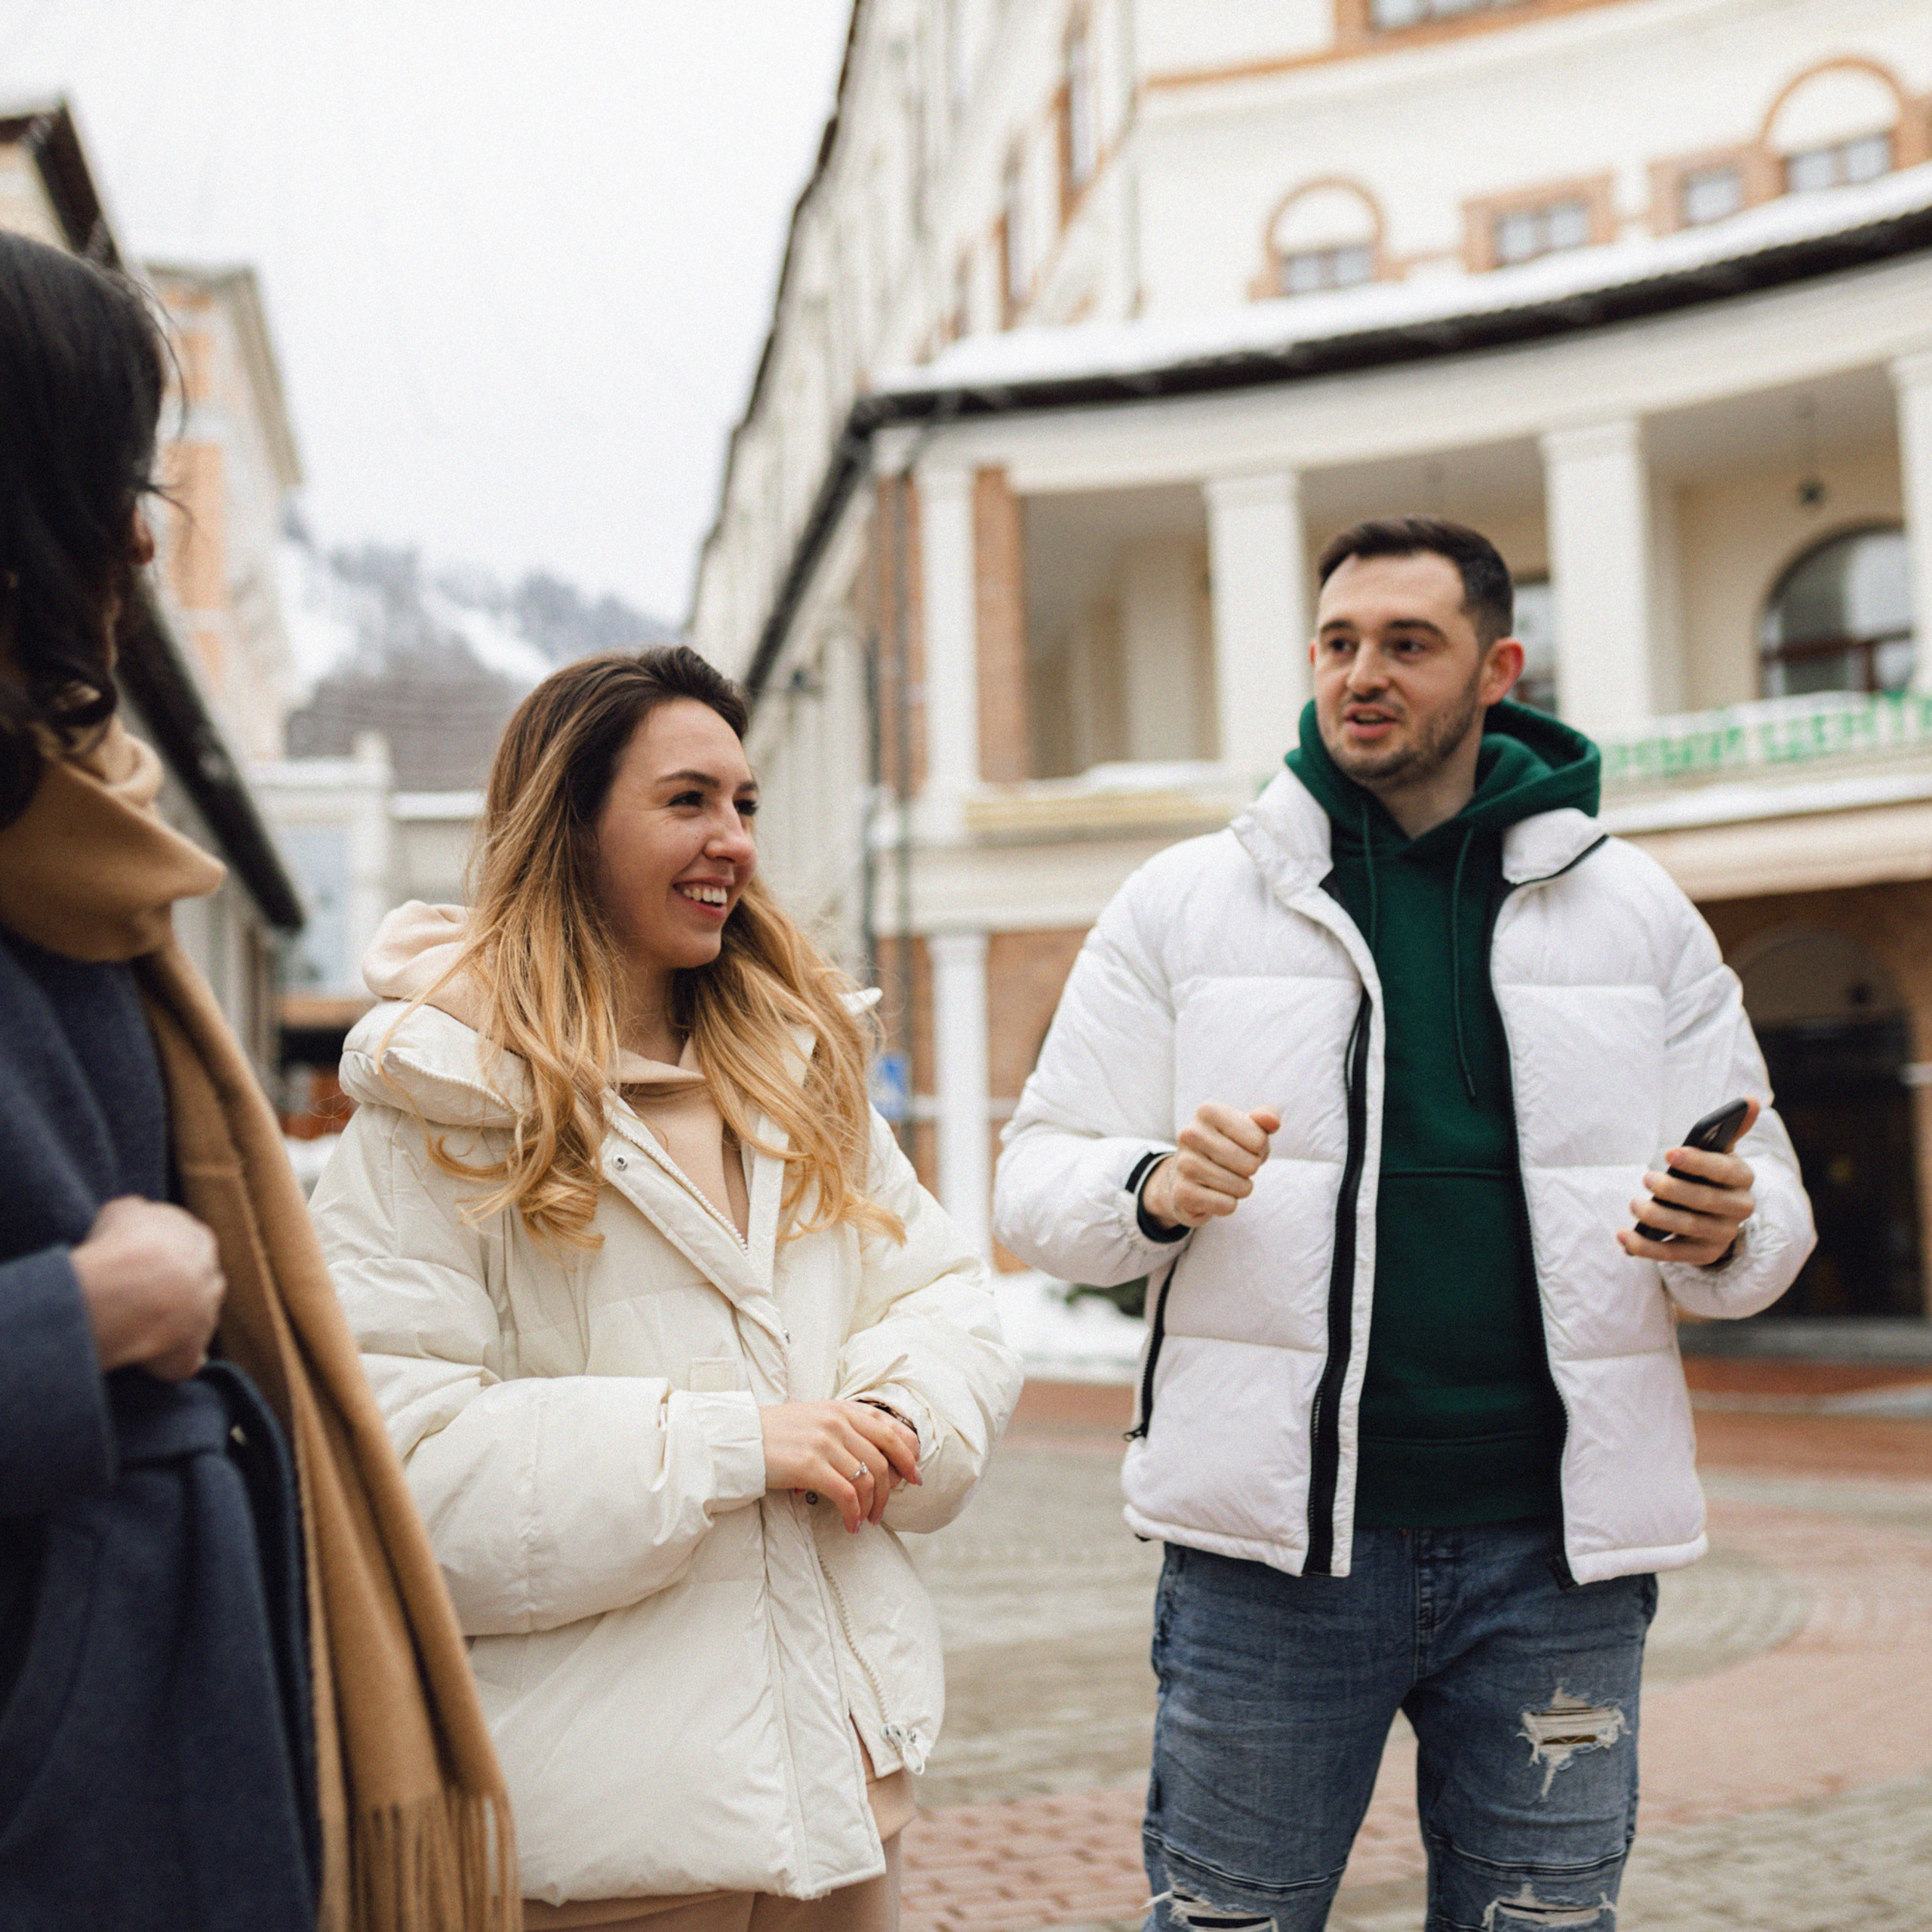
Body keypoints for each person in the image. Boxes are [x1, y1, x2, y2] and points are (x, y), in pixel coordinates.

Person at [994, 517, 1815, 1932]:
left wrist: (1728, 1228)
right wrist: (1150, 1189)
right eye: (1338, 643)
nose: (1362, 673)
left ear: (1498, 665)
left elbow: (1772, 1200)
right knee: (1226, 1923)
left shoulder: (1638, 913)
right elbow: (1034, 1179)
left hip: (1557, 1559)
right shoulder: (1189, 902)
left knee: (1543, 1924)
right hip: (1272, 1559)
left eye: (1407, 645)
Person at [310, 646, 1022, 1928]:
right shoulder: (437, 1104)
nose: (734, 841)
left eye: (745, 803)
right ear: (568, 826)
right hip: (609, 1839)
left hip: (842, 1799)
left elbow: (937, 1296)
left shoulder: (799, 1066)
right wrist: (733, 1442)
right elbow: (389, 1470)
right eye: (688, 800)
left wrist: (906, 1412)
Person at [0, 228, 513, 1932]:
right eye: (109, 477)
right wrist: (67, 1323)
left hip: (159, 1772)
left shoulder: (71, 850)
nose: (141, 536)